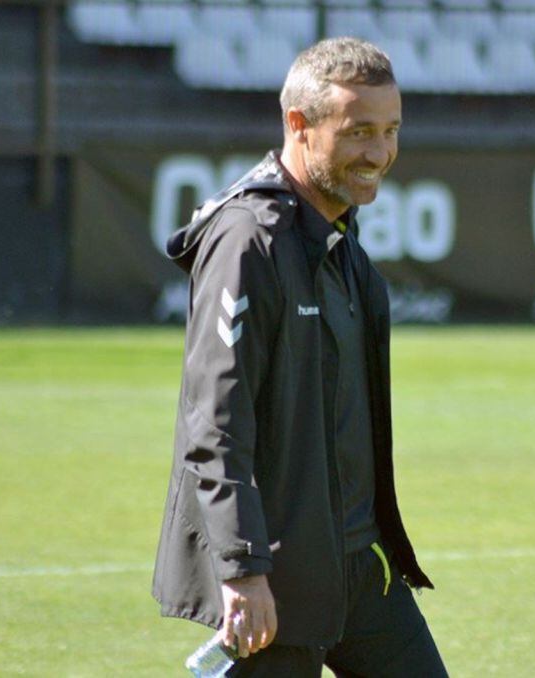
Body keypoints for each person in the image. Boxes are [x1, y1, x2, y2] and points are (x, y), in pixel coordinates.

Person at [152, 37, 448, 677]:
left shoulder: (338, 236)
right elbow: (215, 425)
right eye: (360, 131)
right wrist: (243, 570)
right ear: (299, 125)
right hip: (275, 577)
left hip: (360, 567)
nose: (380, 153)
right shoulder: (246, 242)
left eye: (392, 130)